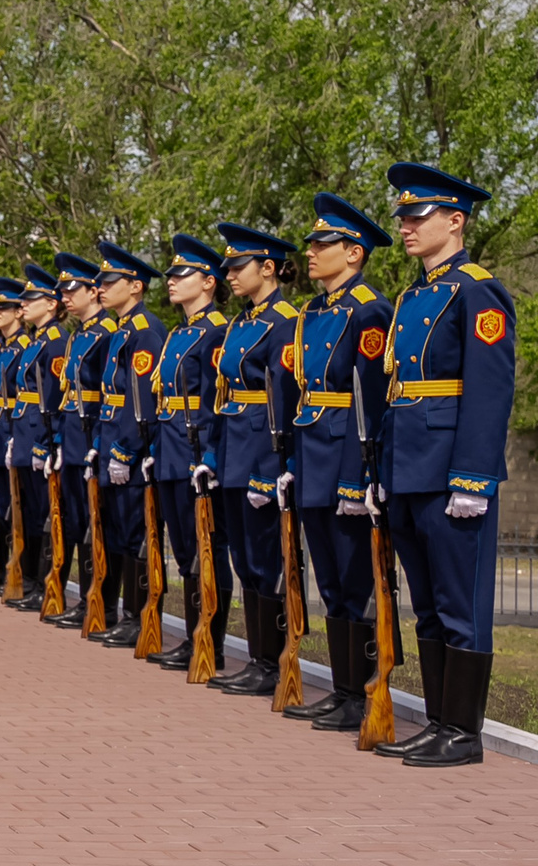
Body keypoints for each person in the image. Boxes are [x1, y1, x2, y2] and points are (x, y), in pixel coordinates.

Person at [368, 164, 512, 768]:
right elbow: (396, 391)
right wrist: (379, 472)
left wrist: (473, 476)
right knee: (425, 603)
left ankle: (465, 733)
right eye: (403, 216)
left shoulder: (476, 290)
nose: (405, 225)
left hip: (452, 470)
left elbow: (489, 387)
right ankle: (437, 722)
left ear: (455, 221)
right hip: (407, 467)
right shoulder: (412, 297)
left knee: (460, 604)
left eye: (418, 215)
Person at [280, 197, 393, 730]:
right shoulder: (314, 312)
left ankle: (363, 692)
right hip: (312, 453)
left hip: (345, 454)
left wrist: (358, 476)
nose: (311, 253)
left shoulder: (368, 310)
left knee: (355, 580)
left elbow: (370, 402)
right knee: (329, 580)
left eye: (321, 245)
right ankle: (343, 687)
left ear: (353, 252)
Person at [202, 225, 301, 694]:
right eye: (228, 268)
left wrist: (271, 470)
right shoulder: (241, 322)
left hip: (261, 450)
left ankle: (271, 662)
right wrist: (213, 456)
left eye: (238, 267)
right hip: (234, 450)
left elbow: (282, 401)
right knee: (244, 559)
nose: (230, 275)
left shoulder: (284, 320)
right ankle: (259, 658)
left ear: (268, 267)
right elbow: (227, 395)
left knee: (266, 561)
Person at [148, 238, 230, 669]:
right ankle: (194, 631)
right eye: (171, 276)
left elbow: (218, 400)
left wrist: (211, 457)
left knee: (207, 550)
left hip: (197, 447)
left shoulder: (217, 330)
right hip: (171, 447)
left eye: (181, 276)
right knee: (183, 550)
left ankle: (209, 639)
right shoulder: (180, 332)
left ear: (207, 282)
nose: (172, 283)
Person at [87, 244, 164, 648]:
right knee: (117, 532)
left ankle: (138, 617)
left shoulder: (145, 331)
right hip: (112, 438)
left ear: (135, 286)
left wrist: (125, 451)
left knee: (137, 534)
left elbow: (142, 402)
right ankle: (122, 613)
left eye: (109, 281)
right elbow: (109, 398)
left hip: (130, 450)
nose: (101, 288)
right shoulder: (120, 332)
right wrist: (101, 445)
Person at [42, 255, 105, 627]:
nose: (65, 296)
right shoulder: (79, 336)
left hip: (93, 437)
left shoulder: (104, 332)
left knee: (97, 523)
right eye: (62, 290)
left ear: (91, 292)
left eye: (72, 289)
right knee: (79, 521)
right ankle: (86, 600)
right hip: (75, 438)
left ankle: (101, 603)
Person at [1, 264, 67, 612]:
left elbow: (54, 398)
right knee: (28, 509)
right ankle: (30, 581)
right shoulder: (38, 341)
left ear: (52, 304)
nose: (23, 304)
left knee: (46, 512)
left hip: (41, 435)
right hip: (25, 431)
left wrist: (48, 442)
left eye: (32, 298)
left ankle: (47, 584)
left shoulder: (56, 343)